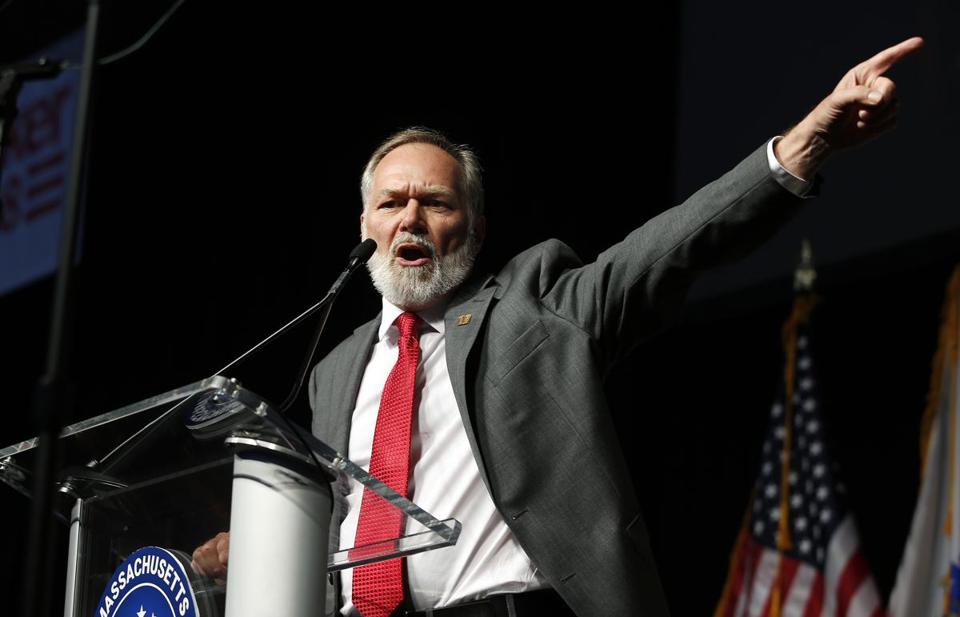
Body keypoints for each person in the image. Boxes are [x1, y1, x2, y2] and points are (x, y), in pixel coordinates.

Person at [194, 37, 923, 617]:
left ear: (474, 228)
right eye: (391, 204)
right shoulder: (336, 369)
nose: (410, 217)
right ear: (365, 226)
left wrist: (803, 147)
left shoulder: (536, 308)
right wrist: (260, 544)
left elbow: (669, 248)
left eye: (435, 203)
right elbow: (338, 518)